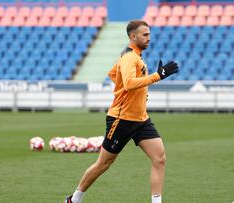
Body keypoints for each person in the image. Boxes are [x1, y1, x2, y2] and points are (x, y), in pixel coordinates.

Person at [65, 20, 179, 203]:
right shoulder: (129, 58)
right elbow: (128, 83)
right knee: (104, 164)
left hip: (141, 119)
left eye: (149, 34)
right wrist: (158, 76)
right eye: (145, 35)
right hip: (121, 119)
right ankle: (74, 199)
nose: (149, 38)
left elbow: (113, 74)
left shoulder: (134, 56)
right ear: (133, 36)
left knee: (160, 158)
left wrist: (129, 89)